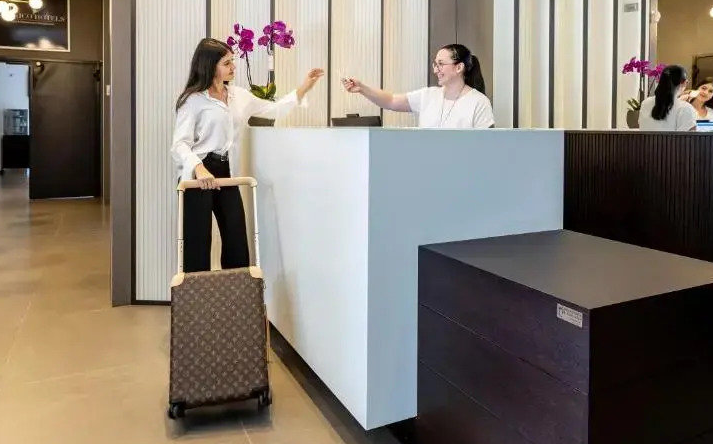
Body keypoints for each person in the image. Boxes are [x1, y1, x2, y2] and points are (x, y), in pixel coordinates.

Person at [171, 38, 324, 272]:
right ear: (210, 65)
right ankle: (197, 295)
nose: (233, 67)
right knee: (197, 243)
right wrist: (198, 168)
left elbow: (273, 109)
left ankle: (236, 294)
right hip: (199, 172)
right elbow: (179, 144)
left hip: (227, 171)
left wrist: (305, 87)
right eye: (227, 63)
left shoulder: (239, 96)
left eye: (232, 61)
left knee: (236, 240)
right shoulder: (193, 101)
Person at [340, 44, 495, 128]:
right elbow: (391, 101)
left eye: (441, 64)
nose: (435, 70)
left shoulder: (479, 102)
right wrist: (362, 88)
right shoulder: (428, 95)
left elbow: (486, 147)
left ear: (459, 67)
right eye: (435, 64)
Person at [638, 64, 698, 132]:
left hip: (646, 140)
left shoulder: (645, 103)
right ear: (685, 83)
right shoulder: (686, 108)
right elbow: (690, 137)